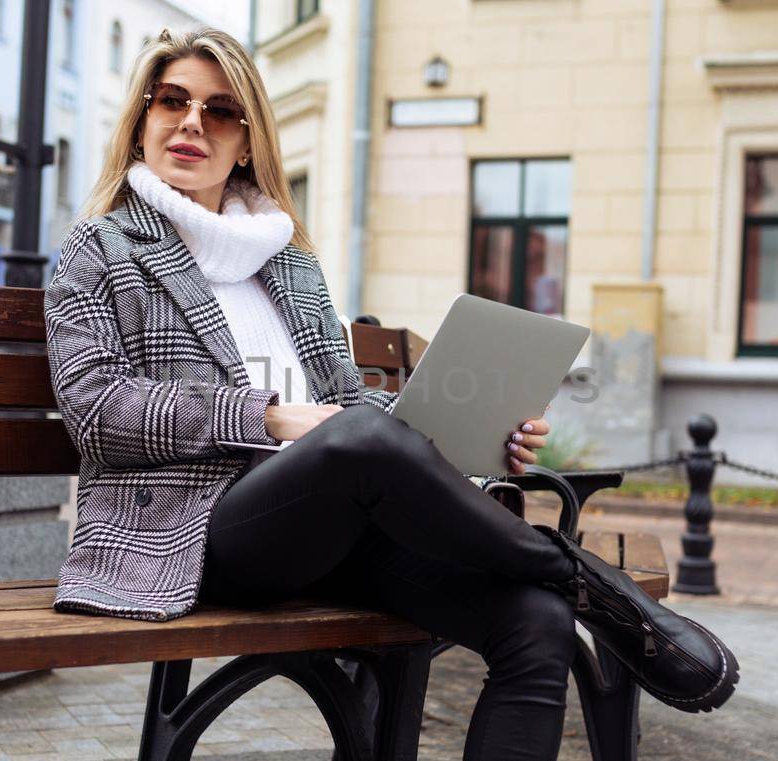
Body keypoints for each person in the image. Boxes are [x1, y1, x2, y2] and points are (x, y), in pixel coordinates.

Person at [46, 27, 736, 761]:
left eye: (219, 111)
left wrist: (463, 431)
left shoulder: (287, 263)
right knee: (359, 439)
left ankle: (561, 586)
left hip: (328, 527)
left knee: (534, 621)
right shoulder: (101, 248)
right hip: (189, 534)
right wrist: (273, 415)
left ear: (246, 143)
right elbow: (97, 409)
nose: (191, 122)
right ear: (143, 121)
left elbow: (349, 400)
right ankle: (583, 577)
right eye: (172, 101)